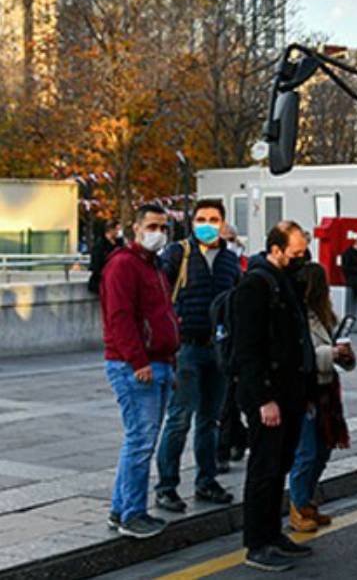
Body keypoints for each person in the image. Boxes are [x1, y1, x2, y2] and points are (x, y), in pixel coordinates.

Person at [234, 220, 317, 572]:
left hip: (292, 391)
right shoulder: (255, 285)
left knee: (281, 464)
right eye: (296, 253)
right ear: (276, 249)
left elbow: (298, 338)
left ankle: (273, 533)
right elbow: (247, 349)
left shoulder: (285, 281)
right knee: (264, 468)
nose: (302, 258)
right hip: (269, 396)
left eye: (304, 252)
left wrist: (307, 391)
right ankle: (257, 542)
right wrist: (264, 398)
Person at [154, 200, 241, 513]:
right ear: (192, 223)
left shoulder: (230, 260)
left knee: (210, 420)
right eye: (202, 219)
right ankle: (166, 486)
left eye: (214, 219)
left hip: (217, 349)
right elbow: (158, 293)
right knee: (179, 420)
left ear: (222, 223)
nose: (207, 224)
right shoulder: (178, 254)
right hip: (186, 348)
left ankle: (207, 481)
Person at [100, 204, 179, 539]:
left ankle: (122, 509)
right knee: (141, 441)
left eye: (162, 227)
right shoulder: (124, 266)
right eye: (151, 225)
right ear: (135, 228)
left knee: (141, 440)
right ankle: (132, 513)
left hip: (159, 362)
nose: (157, 232)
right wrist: (138, 361)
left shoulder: (154, 266)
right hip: (136, 365)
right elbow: (119, 319)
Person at [288, 262, 355, 533]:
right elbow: (297, 356)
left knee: (324, 448)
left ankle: (307, 500)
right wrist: (331, 354)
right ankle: (298, 504)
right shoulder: (296, 316)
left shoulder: (327, 315)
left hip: (327, 389)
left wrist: (345, 357)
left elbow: (341, 356)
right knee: (306, 451)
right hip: (306, 390)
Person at [217, 223, 249, 473]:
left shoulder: (238, 263)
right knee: (226, 402)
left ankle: (224, 449)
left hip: (231, 338)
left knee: (228, 401)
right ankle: (238, 439)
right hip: (215, 337)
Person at [88, 220, 123, 294]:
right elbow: (96, 265)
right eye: (117, 229)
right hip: (102, 281)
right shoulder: (100, 245)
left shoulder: (119, 243)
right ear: (111, 230)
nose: (118, 232)